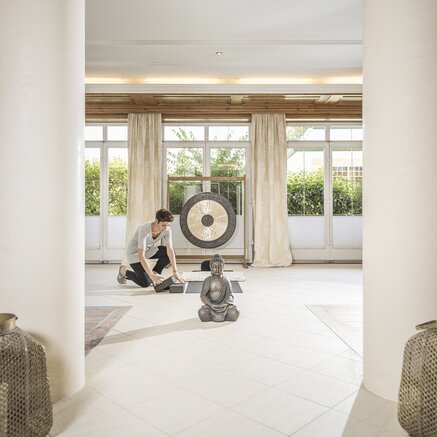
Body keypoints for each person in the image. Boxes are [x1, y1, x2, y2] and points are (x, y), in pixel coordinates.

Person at [117, 209, 184, 288]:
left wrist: (175, 271)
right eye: (163, 225)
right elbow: (141, 256)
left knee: (166, 252)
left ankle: (154, 273)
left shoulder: (167, 230)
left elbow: (170, 250)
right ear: (156, 221)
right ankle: (123, 271)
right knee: (145, 283)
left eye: (168, 225)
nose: (166, 228)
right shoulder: (144, 229)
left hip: (147, 250)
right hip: (134, 253)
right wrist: (151, 275)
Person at [198, 254, 239, 322]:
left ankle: (220, 316)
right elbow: (203, 295)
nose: (217, 269)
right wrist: (210, 304)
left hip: (224, 306)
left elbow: (230, 295)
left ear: (223, 267)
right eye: (214, 267)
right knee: (202, 313)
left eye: (219, 267)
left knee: (235, 312)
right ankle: (217, 316)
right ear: (210, 267)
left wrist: (226, 304)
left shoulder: (226, 280)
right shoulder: (208, 280)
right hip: (211, 306)